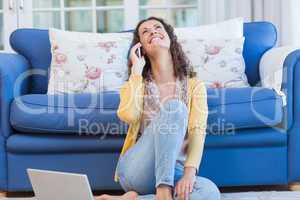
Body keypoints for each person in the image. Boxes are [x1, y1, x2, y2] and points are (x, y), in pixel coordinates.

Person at [95, 17, 221, 200]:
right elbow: (129, 115)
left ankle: (131, 199)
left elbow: (197, 132)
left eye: (157, 27)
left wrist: (188, 174)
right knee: (175, 108)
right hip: (137, 170)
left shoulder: (194, 86)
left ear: (170, 38)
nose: (153, 31)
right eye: (145, 31)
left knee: (209, 192)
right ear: (141, 48)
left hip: (173, 169)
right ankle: (162, 191)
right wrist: (136, 71)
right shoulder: (136, 84)